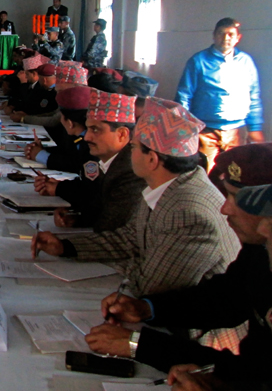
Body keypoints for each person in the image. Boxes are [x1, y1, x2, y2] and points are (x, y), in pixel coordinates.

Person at [84, 144, 272, 386]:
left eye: (235, 198)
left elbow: (256, 372)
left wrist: (138, 346)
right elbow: (224, 299)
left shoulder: (189, 208)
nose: (224, 209)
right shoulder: (258, 251)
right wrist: (148, 309)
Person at [33, 97, 240, 298]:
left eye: (133, 148)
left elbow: (150, 286)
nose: (128, 155)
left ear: (152, 159)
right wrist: (66, 246)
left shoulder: (187, 211)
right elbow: (130, 238)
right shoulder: (165, 186)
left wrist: (136, 260)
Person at [35, 89, 145, 232]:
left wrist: (65, 247)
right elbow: (96, 199)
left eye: (95, 130)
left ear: (122, 134)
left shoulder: (130, 172)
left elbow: (110, 227)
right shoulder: (108, 159)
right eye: (88, 129)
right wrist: (77, 217)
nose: (87, 137)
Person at [175, 17, 264, 171]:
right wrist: (184, 126)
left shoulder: (246, 62)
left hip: (236, 131)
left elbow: (254, 96)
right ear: (214, 36)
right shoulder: (198, 61)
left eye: (230, 34)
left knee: (235, 174)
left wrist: (254, 127)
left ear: (238, 38)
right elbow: (184, 95)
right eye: (221, 34)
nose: (225, 38)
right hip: (206, 130)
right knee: (206, 173)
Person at [25, 85, 93, 173]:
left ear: (70, 123)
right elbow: (68, 153)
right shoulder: (77, 136)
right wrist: (43, 149)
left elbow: (76, 165)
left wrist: (41, 155)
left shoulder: (91, 142)